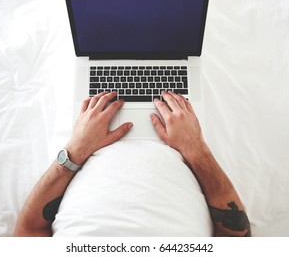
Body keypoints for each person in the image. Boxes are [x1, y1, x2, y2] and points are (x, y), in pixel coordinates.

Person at [14, 91, 251, 237]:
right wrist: (196, 149)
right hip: (180, 147)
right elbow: (235, 234)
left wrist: (76, 150)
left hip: (87, 147)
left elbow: (30, 229)